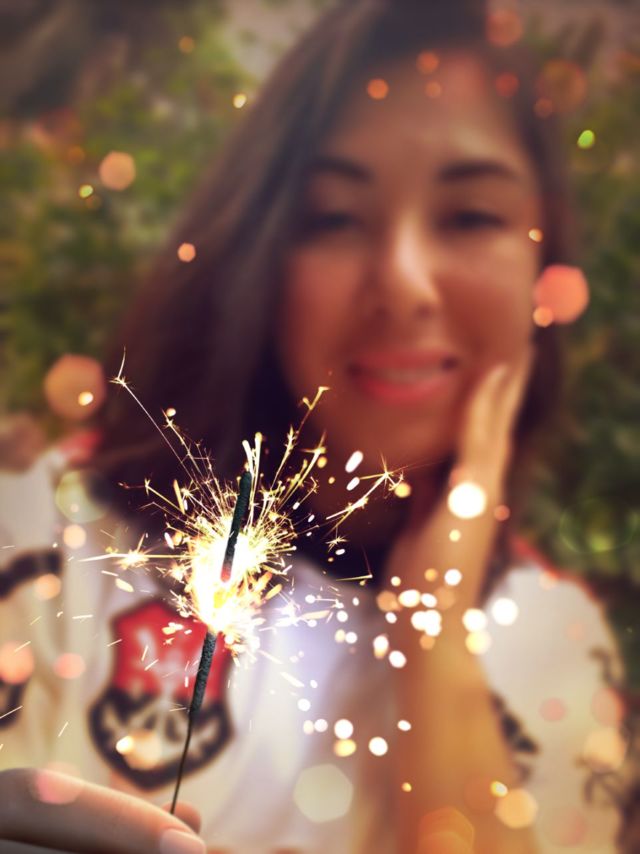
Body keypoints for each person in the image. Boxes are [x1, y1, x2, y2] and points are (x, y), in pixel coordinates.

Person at [0, 0, 632, 852]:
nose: (404, 282)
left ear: (542, 270)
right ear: (263, 256)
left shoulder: (560, 646)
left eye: (471, 216)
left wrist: (434, 629)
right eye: (333, 216)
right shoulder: (55, 549)